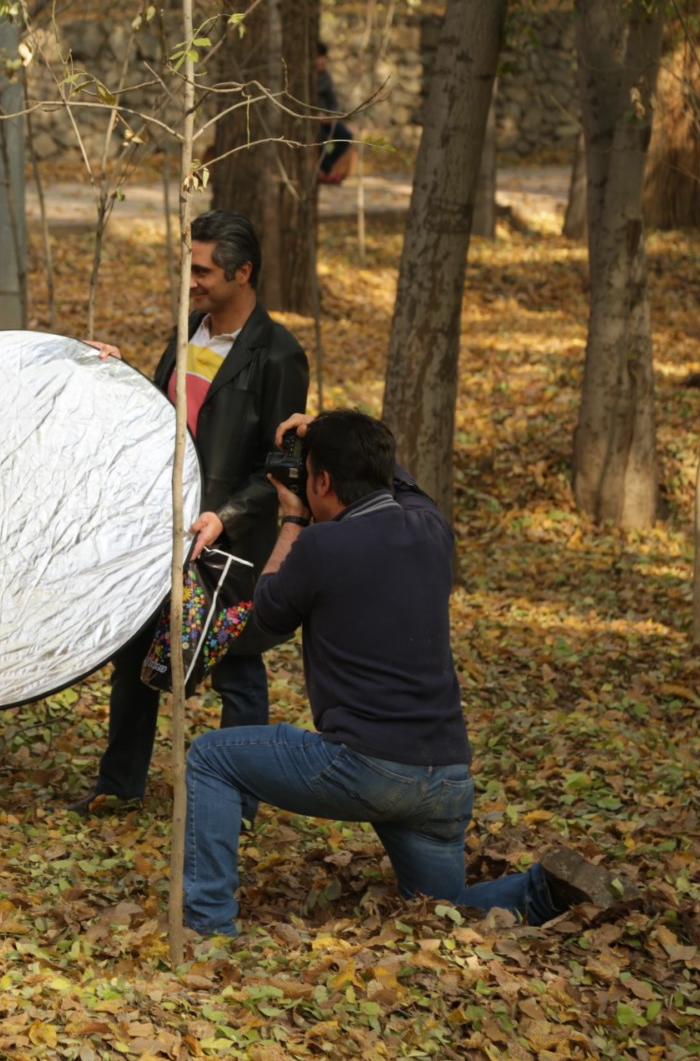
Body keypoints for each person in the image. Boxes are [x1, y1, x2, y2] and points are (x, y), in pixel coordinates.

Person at [182, 408, 636, 936]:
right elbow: (395, 477)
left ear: (321, 482)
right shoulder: (431, 525)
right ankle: (542, 892)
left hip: (368, 768)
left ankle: (207, 926)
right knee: (441, 907)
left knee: (212, 756)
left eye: (310, 476)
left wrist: (292, 519)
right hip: (446, 776)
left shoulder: (322, 546)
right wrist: (330, 432)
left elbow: (266, 613)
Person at [73, 210, 309, 813]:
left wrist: (226, 515)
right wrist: (119, 377)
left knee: (236, 671)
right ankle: (118, 787)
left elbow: (280, 466)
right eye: (188, 267)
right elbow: (161, 421)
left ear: (242, 272)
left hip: (230, 540)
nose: (191, 280)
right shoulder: (186, 334)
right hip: (164, 529)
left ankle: (239, 807)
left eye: (202, 270)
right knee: (134, 656)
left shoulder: (278, 354)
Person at [316, 41, 357, 185]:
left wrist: (331, 117)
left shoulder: (326, 78)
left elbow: (333, 102)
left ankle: (327, 169)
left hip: (327, 119)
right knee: (319, 137)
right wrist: (316, 116)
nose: (322, 61)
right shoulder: (306, 79)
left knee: (346, 136)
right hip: (312, 121)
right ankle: (327, 171)